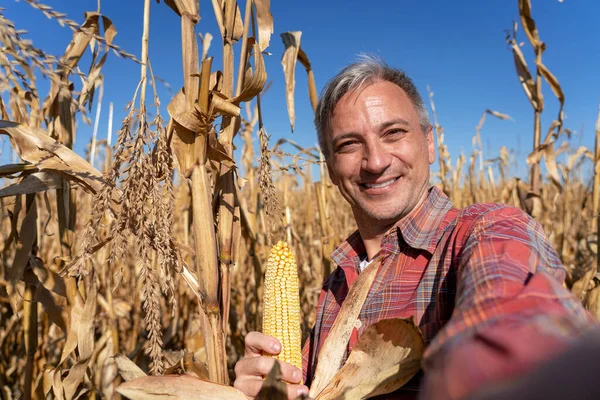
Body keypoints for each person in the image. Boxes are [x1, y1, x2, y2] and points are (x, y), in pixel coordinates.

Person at [233, 56, 596, 399]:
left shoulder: (484, 232)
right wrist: (269, 387)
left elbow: (515, 318)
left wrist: (501, 369)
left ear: (430, 143)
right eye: (349, 144)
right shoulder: (336, 285)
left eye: (392, 133)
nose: (375, 161)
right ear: (330, 169)